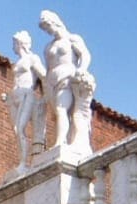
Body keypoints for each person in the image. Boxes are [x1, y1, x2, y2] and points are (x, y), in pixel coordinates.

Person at [38, 10, 93, 153]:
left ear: (55, 22)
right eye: (45, 28)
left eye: (48, 26)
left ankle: (60, 142)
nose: (48, 30)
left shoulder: (72, 39)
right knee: (58, 113)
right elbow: (47, 67)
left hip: (67, 77)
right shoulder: (48, 47)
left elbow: (85, 55)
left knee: (62, 109)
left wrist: (81, 69)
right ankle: (65, 139)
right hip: (51, 81)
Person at [5, 30, 47, 169]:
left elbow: (44, 76)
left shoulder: (32, 58)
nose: (13, 46)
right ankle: (21, 161)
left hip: (26, 94)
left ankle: (23, 163)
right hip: (14, 96)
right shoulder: (18, 63)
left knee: (19, 128)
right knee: (15, 130)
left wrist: (46, 96)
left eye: (14, 43)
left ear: (20, 44)